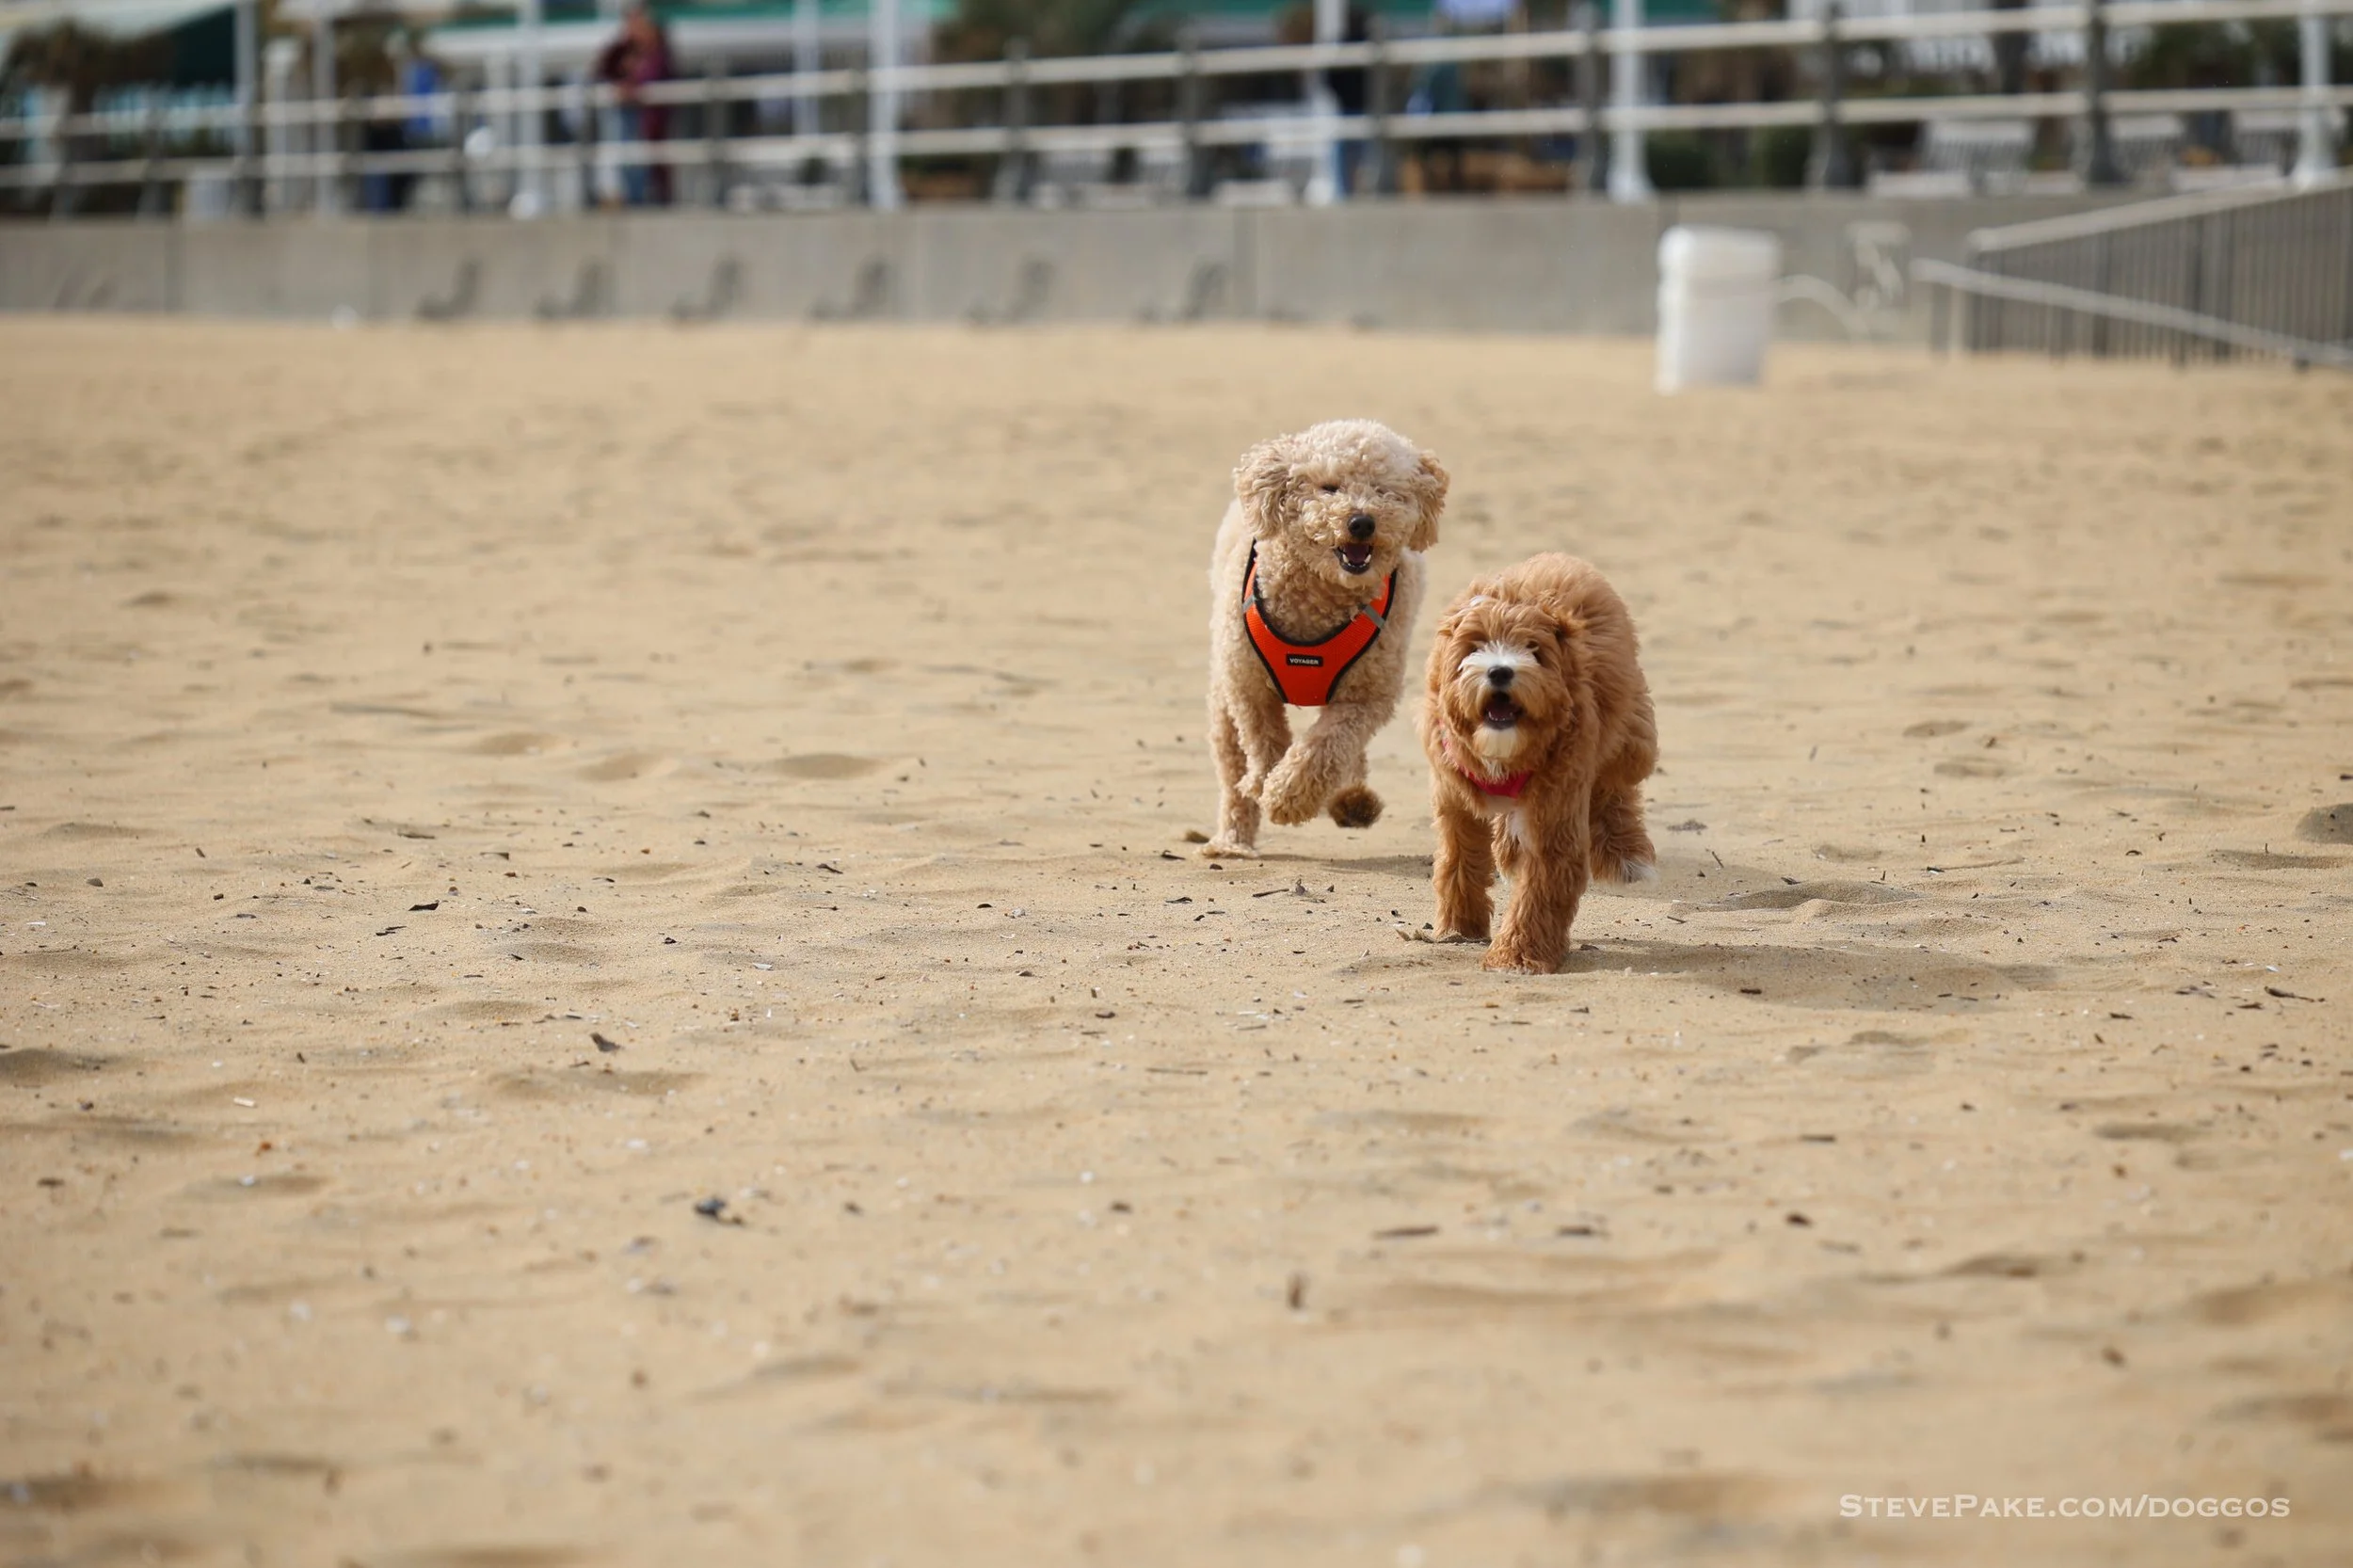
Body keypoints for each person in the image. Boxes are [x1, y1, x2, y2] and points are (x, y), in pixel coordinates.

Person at [594, 3, 674, 206]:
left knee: (650, 162)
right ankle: (634, 197)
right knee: (628, 158)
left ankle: (650, 199)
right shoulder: (625, 49)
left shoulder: (657, 52)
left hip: (651, 122)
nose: (632, 27)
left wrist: (632, 87)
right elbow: (603, 68)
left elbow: (652, 79)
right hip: (632, 121)